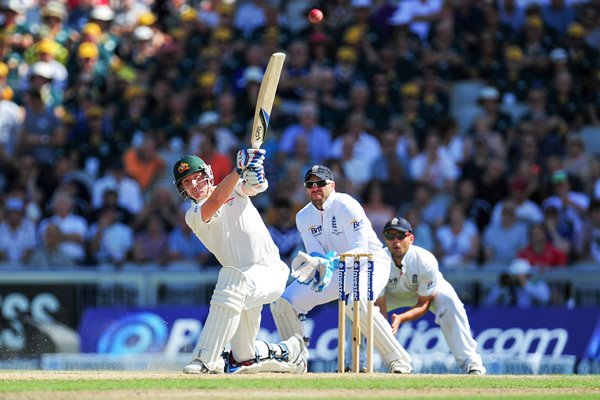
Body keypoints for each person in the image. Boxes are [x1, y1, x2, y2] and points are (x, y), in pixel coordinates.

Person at [173, 150, 306, 374]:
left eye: (196, 176)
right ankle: (291, 351)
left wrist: (254, 174)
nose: (194, 184)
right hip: (240, 286)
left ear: (208, 174)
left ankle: (205, 359)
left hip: (269, 272)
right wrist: (238, 169)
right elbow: (215, 201)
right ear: (183, 190)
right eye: (187, 182)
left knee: (231, 279)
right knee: (244, 357)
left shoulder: (234, 187)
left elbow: (254, 186)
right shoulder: (193, 214)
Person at [271, 165, 412, 374]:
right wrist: (317, 265)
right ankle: (295, 360)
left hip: (369, 264)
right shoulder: (303, 217)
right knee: (283, 303)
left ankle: (398, 361)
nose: (315, 187)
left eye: (320, 183)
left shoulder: (346, 205)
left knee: (358, 304)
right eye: (310, 184)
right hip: (336, 270)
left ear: (332, 185)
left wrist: (331, 261)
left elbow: (360, 248)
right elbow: (316, 252)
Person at [375, 217, 486, 375]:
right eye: (390, 236)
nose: (395, 241)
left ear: (411, 238)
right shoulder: (379, 261)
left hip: (425, 294)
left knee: (449, 301)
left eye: (400, 236)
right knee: (359, 305)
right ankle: (359, 363)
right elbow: (379, 305)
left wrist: (401, 318)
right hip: (390, 295)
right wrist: (385, 327)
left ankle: (471, 361)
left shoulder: (425, 260)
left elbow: (423, 304)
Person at [483, 258, 551, 308]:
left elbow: (545, 298)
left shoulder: (535, 281)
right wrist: (500, 286)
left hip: (530, 318)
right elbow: (488, 303)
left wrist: (525, 284)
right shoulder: (505, 284)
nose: (514, 278)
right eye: (513, 275)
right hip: (506, 317)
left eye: (517, 275)